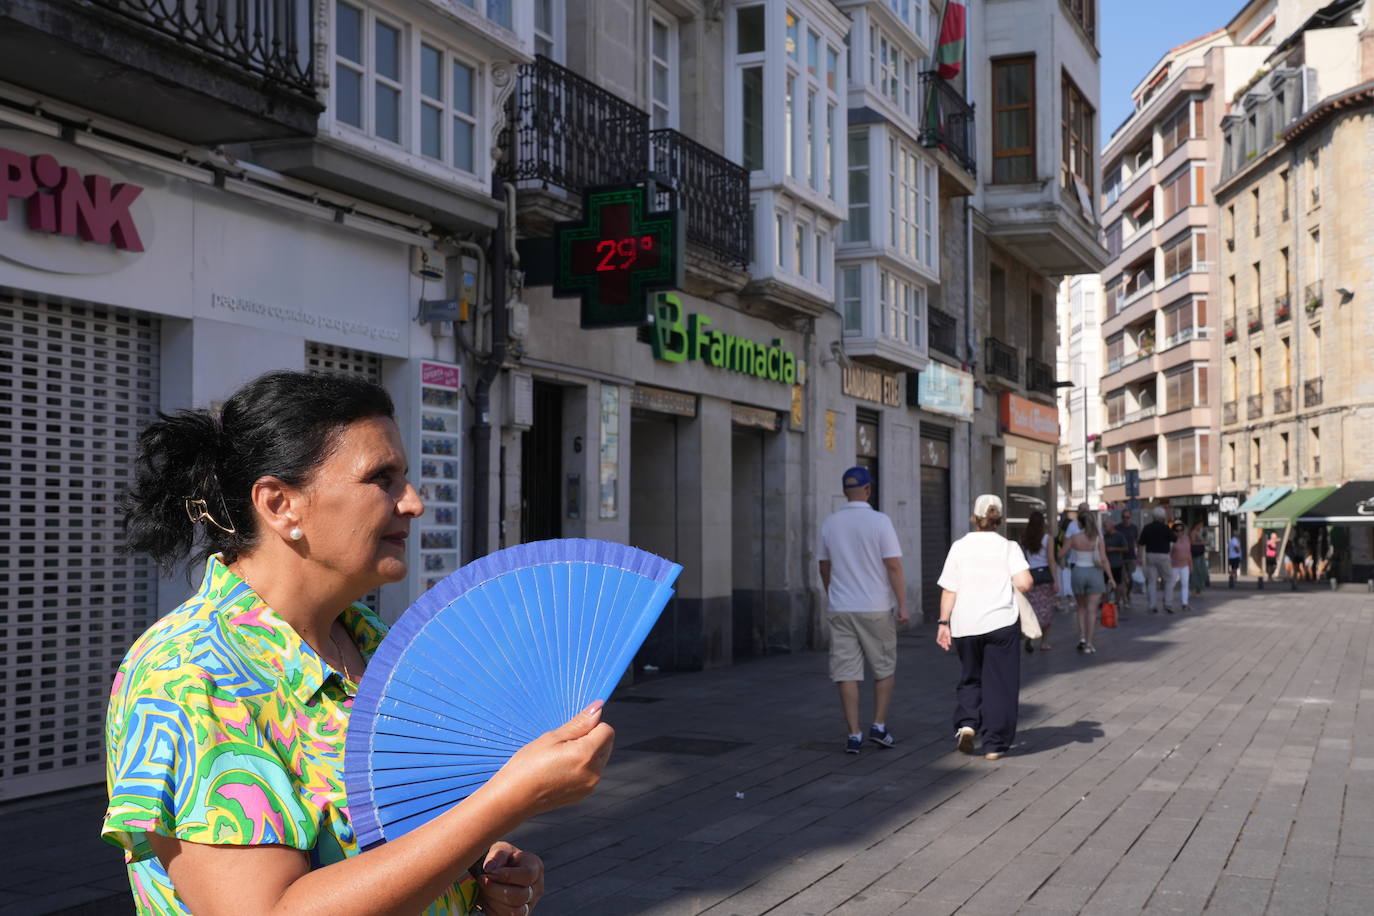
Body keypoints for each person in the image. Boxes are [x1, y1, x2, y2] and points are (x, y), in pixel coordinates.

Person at [104, 371, 613, 916]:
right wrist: (506, 802)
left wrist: (480, 870)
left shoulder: (376, 645)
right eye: (382, 479)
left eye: (407, 478)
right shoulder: (191, 675)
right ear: (280, 505)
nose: (414, 503)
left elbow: (407, 833)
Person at [818, 466, 908, 754]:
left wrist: (832, 591)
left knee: (846, 672)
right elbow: (893, 565)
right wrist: (903, 604)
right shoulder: (880, 522)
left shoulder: (830, 523)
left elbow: (823, 565)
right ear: (869, 490)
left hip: (841, 607)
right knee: (883, 667)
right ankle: (878, 726)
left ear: (845, 491)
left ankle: (854, 734)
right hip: (875, 607)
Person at [935, 495, 1032, 761]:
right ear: (999, 520)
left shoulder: (959, 547)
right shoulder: (1008, 547)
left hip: (965, 624)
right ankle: (994, 744)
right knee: (999, 684)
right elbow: (1025, 582)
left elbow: (949, 589)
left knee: (970, 677)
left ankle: (967, 724)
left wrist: (944, 623)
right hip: (1000, 623)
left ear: (974, 518)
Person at [1058, 509, 1115, 654]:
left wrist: (1059, 556)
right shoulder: (1098, 538)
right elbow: (1104, 559)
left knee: (1081, 608)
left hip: (1078, 573)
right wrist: (1111, 578)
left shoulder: (1074, 537)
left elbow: (1061, 553)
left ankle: (1082, 637)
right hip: (1095, 573)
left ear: (1079, 523)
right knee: (1092, 610)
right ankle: (1090, 644)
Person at [1018, 510, 1058, 652]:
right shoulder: (1048, 538)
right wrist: (1056, 580)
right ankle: (1044, 642)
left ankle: (1030, 635)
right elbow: (1051, 560)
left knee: (1032, 608)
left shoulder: (1025, 538)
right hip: (1045, 576)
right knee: (1046, 610)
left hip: (1031, 576)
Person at [1138, 507, 1175, 613]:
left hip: (1150, 555)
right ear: (1163, 517)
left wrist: (1139, 557)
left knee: (1152, 581)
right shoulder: (1165, 528)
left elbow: (1141, 543)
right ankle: (1168, 603)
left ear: (1153, 516)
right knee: (1168, 580)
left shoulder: (1147, 527)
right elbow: (1174, 539)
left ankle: (1152, 605)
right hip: (1163, 556)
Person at [1102, 517, 1129, 611]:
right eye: (1103, 526)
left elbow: (1126, 548)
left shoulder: (1119, 536)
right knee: (1103, 584)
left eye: (1105, 526)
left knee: (1118, 584)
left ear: (1111, 526)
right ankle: (1105, 602)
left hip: (1116, 563)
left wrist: (1113, 549)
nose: (1104, 528)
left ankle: (1117, 601)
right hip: (1105, 565)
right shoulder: (1104, 537)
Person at [1116, 508, 1140, 607]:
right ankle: (1124, 599)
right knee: (1122, 579)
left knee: (1131, 579)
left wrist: (1139, 556)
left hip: (1131, 557)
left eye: (1127, 517)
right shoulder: (1117, 527)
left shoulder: (1134, 528)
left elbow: (1137, 542)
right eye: (1123, 517)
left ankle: (1127, 594)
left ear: (1131, 518)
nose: (1125, 519)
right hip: (1120, 557)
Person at [1167, 521, 1193, 611]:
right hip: (1174, 565)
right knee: (1171, 584)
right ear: (1174, 531)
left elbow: (1189, 552)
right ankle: (1168, 602)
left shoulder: (1186, 539)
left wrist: (1190, 564)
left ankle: (1184, 603)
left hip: (1185, 565)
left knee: (1185, 584)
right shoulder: (1171, 540)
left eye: (1181, 530)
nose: (1179, 532)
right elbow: (1168, 553)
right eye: (1177, 530)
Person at [1189, 521, 1210, 594]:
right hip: (1196, 554)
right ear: (1197, 525)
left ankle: (1199, 587)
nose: (1201, 527)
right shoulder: (1193, 532)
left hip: (1200, 554)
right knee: (1196, 571)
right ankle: (1195, 588)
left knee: (1202, 570)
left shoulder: (1199, 532)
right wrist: (1203, 543)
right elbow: (1192, 542)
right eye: (1200, 525)